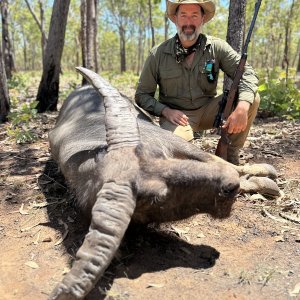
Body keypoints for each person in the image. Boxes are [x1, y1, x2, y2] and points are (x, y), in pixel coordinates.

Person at [135, 0, 260, 165]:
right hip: (177, 117)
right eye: (183, 15)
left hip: (210, 111)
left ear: (202, 19)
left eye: (194, 15)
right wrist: (165, 111)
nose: (188, 22)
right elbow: (142, 95)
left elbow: (248, 74)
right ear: (175, 19)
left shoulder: (217, 47)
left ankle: (230, 155)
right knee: (181, 157)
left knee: (252, 98)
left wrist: (242, 107)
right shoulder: (157, 54)